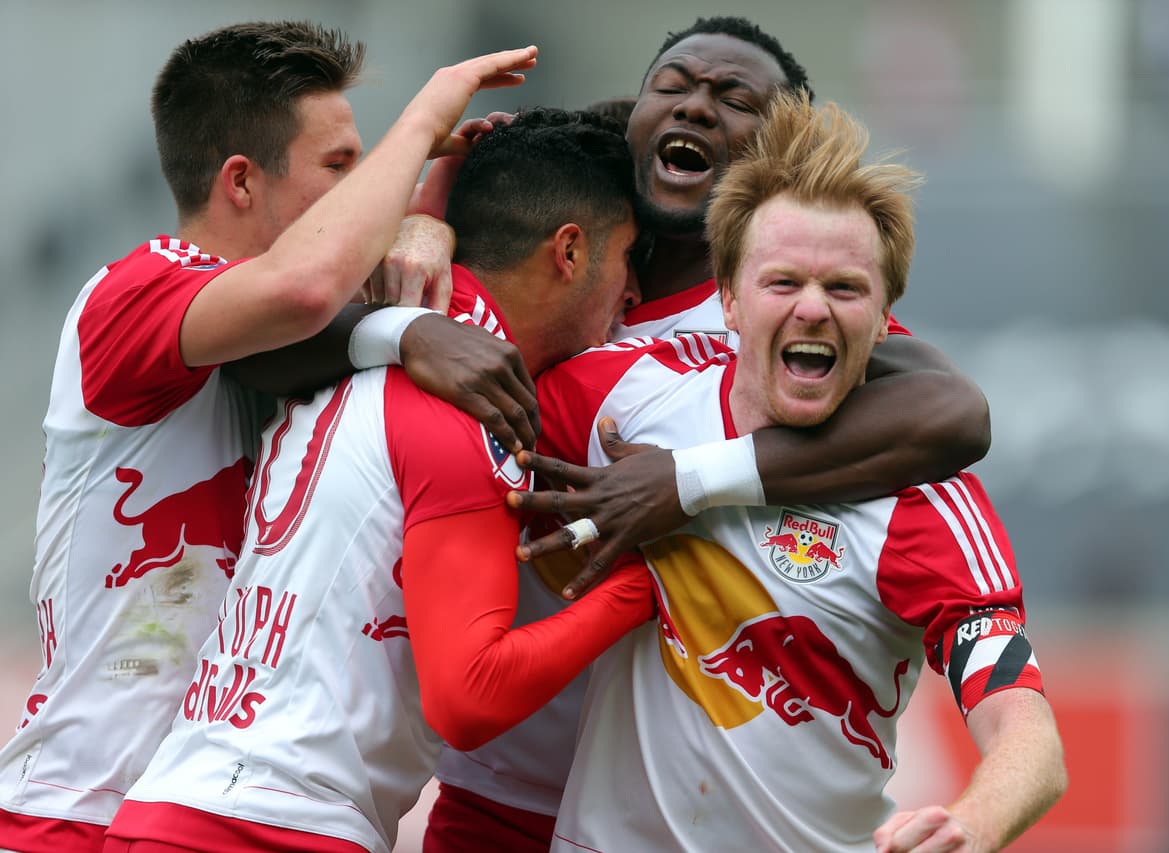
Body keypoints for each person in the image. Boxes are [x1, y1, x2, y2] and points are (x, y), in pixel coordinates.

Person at [424, 16, 991, 851]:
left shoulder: (781, 306)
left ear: (777, 155)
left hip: (649, 814)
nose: (695, 108)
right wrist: (423, 220)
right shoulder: (557, 236)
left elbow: (956, 414)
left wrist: (684, 481)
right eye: (674, 88)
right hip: (494, 794)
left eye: (733, 100)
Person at [0, 20, 538, 852]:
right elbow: (307, 289)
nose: (364, 192)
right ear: (242, 183)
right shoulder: (132, 291)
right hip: (75, 805)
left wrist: (428, 211)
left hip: (191, 805)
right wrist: (425, 115)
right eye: (338, 167)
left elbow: (332, 314)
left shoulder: (259, 333)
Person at [102, 109, 651, 853]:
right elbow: (470, 694)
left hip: (175, 805)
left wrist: (434, 200)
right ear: (570, 251)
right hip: (276, 827)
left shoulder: (362, 340)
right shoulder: (466, 410)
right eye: (626, 258)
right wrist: (648, 583)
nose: (633, 296)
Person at [536, 90, 1067, 853]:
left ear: (887, 322)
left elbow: (1028, 734)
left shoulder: (926, 502)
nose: (813, 308)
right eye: (783, 282)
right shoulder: (620, 398)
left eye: (844, 287)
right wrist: (420, 232)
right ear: (726, 299)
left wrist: (972, 824)